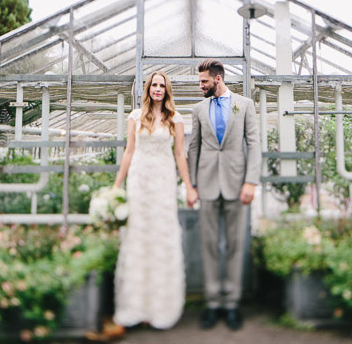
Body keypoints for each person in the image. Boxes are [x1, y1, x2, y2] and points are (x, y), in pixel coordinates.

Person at [109, 71, 198, 330]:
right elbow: (128, 152)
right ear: (147, 89)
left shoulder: (175, 119)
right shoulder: (135, 117)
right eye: (154, 85)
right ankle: (136, 306)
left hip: (163, 181)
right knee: (138, 237)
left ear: (167, 90)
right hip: (139, 180)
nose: (157, 89)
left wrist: (189, 187)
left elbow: (180, 155)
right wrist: (116, 186)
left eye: (162, 85)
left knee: (161, 237)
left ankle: (161, 306)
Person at [187, 59, 261, 331]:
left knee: (234, 245)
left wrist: (251, 181)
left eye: (204, 81)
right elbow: (193, 148)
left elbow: (253, 144)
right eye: (200, 82)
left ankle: (231, 305)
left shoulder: (245, 105)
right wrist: (192, 186)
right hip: (206, 185)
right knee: (208, 246)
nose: (201, 86)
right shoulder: (198, 109)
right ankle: (212, 304)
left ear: (218, 79)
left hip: (236, 185)